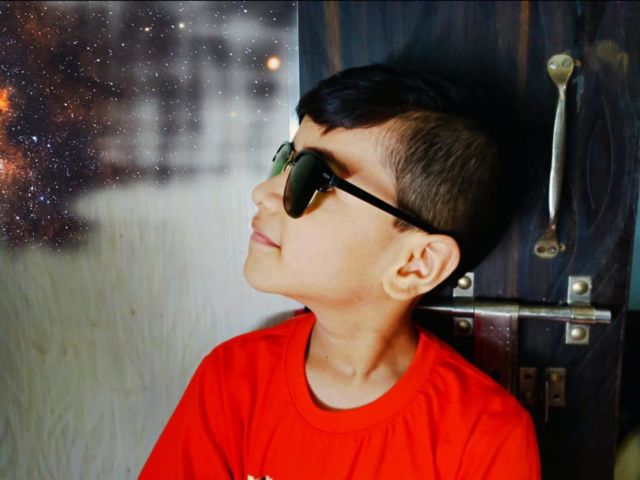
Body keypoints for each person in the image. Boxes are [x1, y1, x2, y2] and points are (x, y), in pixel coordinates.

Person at [140, 64, 540, 479]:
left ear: (415, 264)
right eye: (285, 160)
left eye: (311, 177)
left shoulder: (486, 434)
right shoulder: (233, 378)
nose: (262, 193)